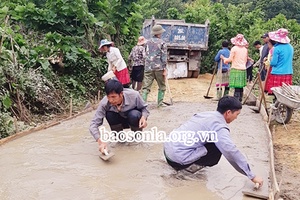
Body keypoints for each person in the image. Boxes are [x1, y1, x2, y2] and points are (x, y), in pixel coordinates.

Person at [163, 96, 263, 187]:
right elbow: (230, 151)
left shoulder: (204, 115)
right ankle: (186, 171)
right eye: (237, 114)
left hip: (168, 152)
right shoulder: (219, 126)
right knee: (218, 147)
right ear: (228, 112)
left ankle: (187, 164)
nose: (236, 118)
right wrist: (251, 175)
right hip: (177, 160)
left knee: (212, 140)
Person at [89, 79, 149, 154]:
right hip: (118, 121)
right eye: (109, 97)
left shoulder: (134, 95)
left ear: (121, 94)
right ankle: (120, 139)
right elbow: (93, 124)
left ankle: (137, 138)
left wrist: (144, 117)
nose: (111, 100)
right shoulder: (104, 103)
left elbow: (145, 108)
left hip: (133, 120)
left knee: (134, 114)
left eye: (113, 97)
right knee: (109, 114)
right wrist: (100, 141)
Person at [142, 24, 168, 107]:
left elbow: (144, 55)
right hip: (159, 68)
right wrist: (165, 68)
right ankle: (160, 104)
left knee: (146, 87)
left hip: (148, 67)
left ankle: (142, 104)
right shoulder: (162, 43)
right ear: (159, 33)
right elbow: (164, 57)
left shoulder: (146, 42)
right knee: (162, 86)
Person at [264, 28, 294, 95]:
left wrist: (269, 60)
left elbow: (274, 63)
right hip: (288, 72)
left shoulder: (277, 48)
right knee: (285, 93)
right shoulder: (291, 47)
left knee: (276, 93)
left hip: (278, 73)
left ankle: (276, 103)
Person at [221, 34, 248, 102]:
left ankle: (236, 100)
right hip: (243, 69)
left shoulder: (234, 49)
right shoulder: (245, 49)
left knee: (236, 86)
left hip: (236, 68)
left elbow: (230, 59)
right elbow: (245, 60)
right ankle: (240, 99)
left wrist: (224, 58)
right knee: (240, 86)